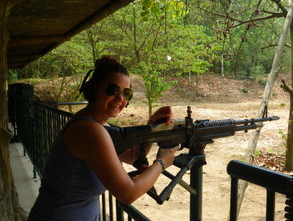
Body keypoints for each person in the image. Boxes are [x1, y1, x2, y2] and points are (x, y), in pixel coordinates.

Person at [27, 56, 179, 221]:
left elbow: (133, 156)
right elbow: (128, 194)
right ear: (94, 89)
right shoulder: (90, 131)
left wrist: (152, 127)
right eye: (113, 89)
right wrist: (162, 162)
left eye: (126, 93)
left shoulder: (98, 125)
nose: (121, 99)